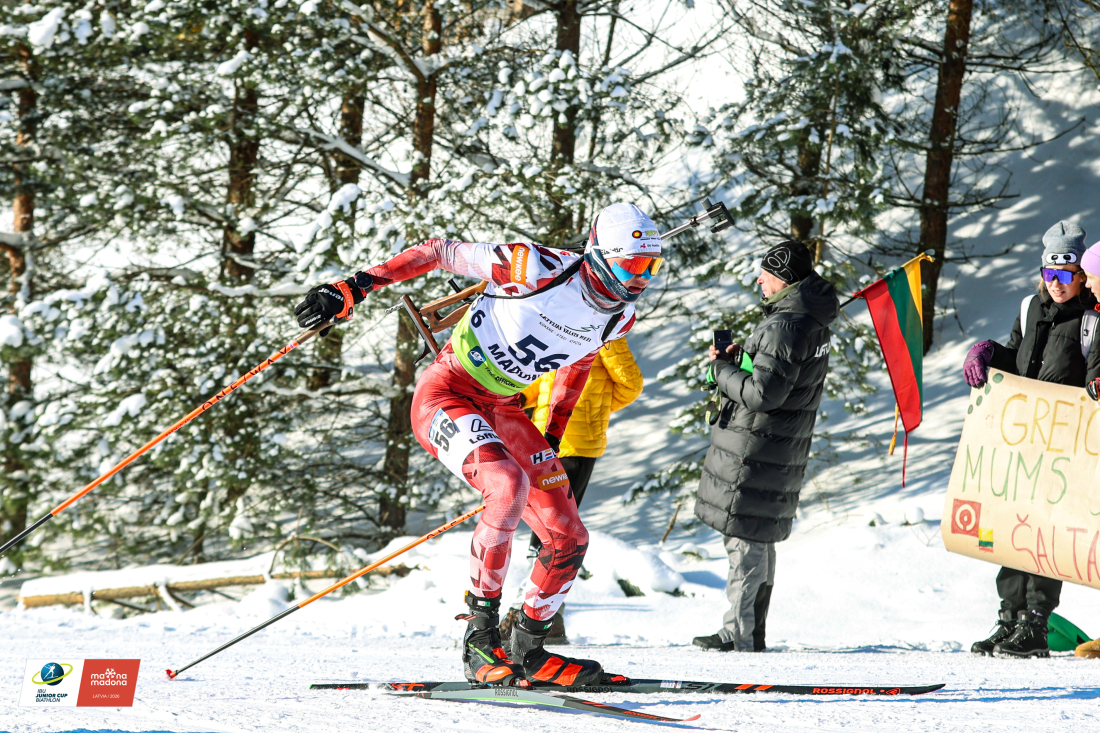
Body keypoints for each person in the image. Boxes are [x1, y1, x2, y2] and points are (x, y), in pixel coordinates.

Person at [294, 203, 662, 687]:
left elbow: (577, 366)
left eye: (651, 267)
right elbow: (437, 251)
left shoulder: (620, 318)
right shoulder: (534, 266)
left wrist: (550, 438)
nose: (640, 280)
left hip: (503, 408)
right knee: (506, 486)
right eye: (632, 265)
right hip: (446, 393)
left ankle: (529, 649)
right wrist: (354, 286)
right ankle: (479, 641)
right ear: (600, 254)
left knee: (568, 535)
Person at [691, 239, 838, 652]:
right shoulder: (807, 320)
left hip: (755, 451)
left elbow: (763, 395)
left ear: (784, 279)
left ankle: (738, 636)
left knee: (745, 541)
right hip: (776, 449)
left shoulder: (784, 326)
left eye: (765, 274)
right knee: (757, 538)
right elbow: (776, 379)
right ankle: (749, 632)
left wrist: (720, 370)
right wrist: (743, 359)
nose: (759, 280)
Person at [964, 220, 1100, 659]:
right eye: (1049, 273)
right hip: (1022, 438)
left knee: (1046, 530)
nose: (1057, 283)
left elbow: (1095, 375)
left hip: (1065, 445)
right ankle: (1009, 616)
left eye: (1066, 274)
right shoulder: (1028, 309)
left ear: (1081, 276)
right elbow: (1017, 361)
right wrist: (988, 353)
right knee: (1012, 524)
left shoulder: (1092, 321)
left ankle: (1036, 622)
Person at [505, 336, 644, 639]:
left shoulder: (606, 337)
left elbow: (630, 386)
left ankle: (532, 612)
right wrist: (514, 397)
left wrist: (594, 408)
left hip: (577, 445)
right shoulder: (560, 331)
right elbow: (541, 384)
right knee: (544, 528)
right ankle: (545, 615)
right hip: (541, 443)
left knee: (554, 531)